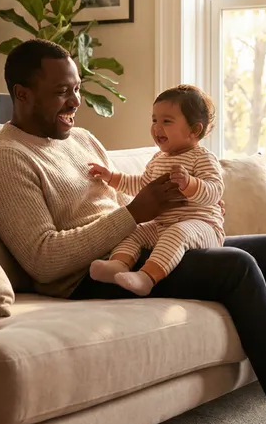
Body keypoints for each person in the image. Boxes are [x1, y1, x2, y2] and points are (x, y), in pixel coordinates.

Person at [0, 40, 266, 424]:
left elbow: (120, 199)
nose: (75, 102)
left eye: (77, 89)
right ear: (22, 94)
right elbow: (44, 260)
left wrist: (180, 207)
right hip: (90, 275)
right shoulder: (6, 158)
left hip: (138, 244)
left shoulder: (81, 138)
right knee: (237, 266)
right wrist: (136, 214)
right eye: (62, 92)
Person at [87, 84, 224, 296]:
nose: (156, 128)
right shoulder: (158, 159)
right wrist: (111, 177)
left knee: (178, 232)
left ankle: (147, 278)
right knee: (134, 231)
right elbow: (142, 185)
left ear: (194, 130)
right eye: (154, 120)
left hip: (202, 227)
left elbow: (215, 191)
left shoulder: (202, 157)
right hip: (162, 226)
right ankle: (118, 265)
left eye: (166, 121)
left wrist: (190, 184)